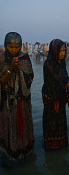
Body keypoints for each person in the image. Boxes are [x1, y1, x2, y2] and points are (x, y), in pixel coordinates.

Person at [0, 32, 34, 167]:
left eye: (17, 47)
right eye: (11, 47)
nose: (14, 50)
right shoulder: (1, 59)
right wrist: (11, 69)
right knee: (8, 129)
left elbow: (29, 78)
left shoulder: (25, 58)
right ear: (5, 45)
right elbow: (1, 82)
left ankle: (24, 155)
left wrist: (18, 72)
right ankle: (9, 156)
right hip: (6, 104)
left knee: (23, 129)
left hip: (22, 102)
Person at [42, 39, 69, 150]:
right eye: (60, 51)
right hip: (51, 98)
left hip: (60, 98)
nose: (63, 53)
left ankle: (61, 144)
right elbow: (58, 79)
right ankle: (51, 146)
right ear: (54, 50)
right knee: (51, 123)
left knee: (60, 122)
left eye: (64, 51)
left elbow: (64, 78)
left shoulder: (61, 63)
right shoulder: (48, 64)